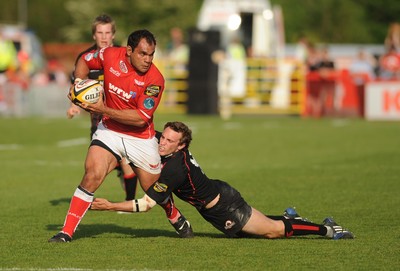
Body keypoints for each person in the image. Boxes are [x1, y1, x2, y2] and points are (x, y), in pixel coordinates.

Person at [91, 121, 354, 240]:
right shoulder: (170, 148)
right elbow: (147, 131)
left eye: (170, 141)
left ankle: (328, 230)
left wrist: (108, 206)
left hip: (226, 207)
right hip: (216, 203)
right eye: (164, 137)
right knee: (261, 230)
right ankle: (293, 218)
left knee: (273, 232)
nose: (162, 143)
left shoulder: (175, 169)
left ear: (181, 146)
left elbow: (145, 205)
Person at [48, 30, 193, 243]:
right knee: (93, 174)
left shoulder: (155, 80)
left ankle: (173, 214)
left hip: (140, 138)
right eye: (143, 54)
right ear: (128, 51)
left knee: (153, 190)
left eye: (151, 54)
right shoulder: (109, 55)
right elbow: (84, 60)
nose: (148, 59)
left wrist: (102, 108)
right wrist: (78, 82)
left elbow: (140, 119)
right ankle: (66, 232)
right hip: (110, 131)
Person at [66, 14, 138, 201]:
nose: (104, 37)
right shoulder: (86, 59)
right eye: (100, 32)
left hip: (120, 115)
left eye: (107, 32)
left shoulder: (123, 57)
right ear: (94, 35)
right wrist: (74, 105)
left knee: (125, 161)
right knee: (97, 165)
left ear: (113, 35)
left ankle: (129, 203)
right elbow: (78, 86)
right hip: (97, 121)